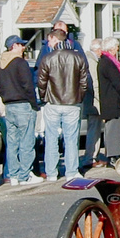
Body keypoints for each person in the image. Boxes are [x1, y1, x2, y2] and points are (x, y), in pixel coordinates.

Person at [38, 29, 88, 181]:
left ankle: (51, 172)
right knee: (71, 138)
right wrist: (79, 97)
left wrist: (44, 97)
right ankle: (71, 171)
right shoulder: (78, 57)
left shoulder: (47, 58)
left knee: (51, 138)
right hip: (72, 102)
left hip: (52, 102)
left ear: (55, 40)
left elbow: (41, 82)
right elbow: (84, 82)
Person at [0, 35, 42, 186]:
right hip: (23, 104)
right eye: (21, 45)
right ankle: (25, 175)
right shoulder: (20, 63)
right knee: (27, 142)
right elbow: (28, 85)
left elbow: (1, 87)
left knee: (12, 142)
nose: (23, 48)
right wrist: (34, 104)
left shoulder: (1, 64)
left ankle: (13, 175)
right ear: (14, 46)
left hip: (9, 105)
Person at [98, 37, 120, 168]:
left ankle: (115, 152)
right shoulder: (108, 63)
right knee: (113, 128)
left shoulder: (105, 62)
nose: (117, 49)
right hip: (111, 100)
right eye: (116, 47)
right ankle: (112, 155)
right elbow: (117, 82)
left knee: (114, 128)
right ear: (111, 48)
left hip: (110, 99)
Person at [81, 38, 104, 169]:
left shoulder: (89, 59)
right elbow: (95, 83)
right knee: (93, 129)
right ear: (98, 49)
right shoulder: (91, 61)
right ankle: (90, 157)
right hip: (93, 101)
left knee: (94, 129)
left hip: (91, 100)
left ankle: (93, 155)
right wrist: (100, 100)